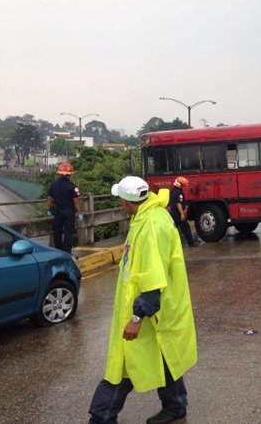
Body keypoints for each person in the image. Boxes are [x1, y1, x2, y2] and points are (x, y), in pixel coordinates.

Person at [89, 176, 197, 424]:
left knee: (121, 367)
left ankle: (101, 418)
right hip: (158, 309)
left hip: (149, 311)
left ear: (126, 202)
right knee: (164, 354)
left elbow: (152, 277)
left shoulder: (151, 225)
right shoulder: (150, 215)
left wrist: (137, 317)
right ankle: (175, 406)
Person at [47, 162, 83, 254]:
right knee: (68, 232)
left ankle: (58, 250)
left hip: (58, 211)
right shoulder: (72, 186)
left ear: (59, 173)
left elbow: (49, 199)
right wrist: (80, 214)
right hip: (69, 212)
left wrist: (49, 209)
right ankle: (67, 252)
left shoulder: (53, 184)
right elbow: (76, 202)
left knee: (57, 231)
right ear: (70, 175)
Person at [168, 176, 195, 247]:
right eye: (183, 185)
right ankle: (191, 243)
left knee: (174, 229)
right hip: (178, 213)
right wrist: (182, 214)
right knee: (185, 228)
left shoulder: (172, 191)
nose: (184, 187)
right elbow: (178, 203)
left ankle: (172, 245)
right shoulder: (179, 193)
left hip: (172, 212)